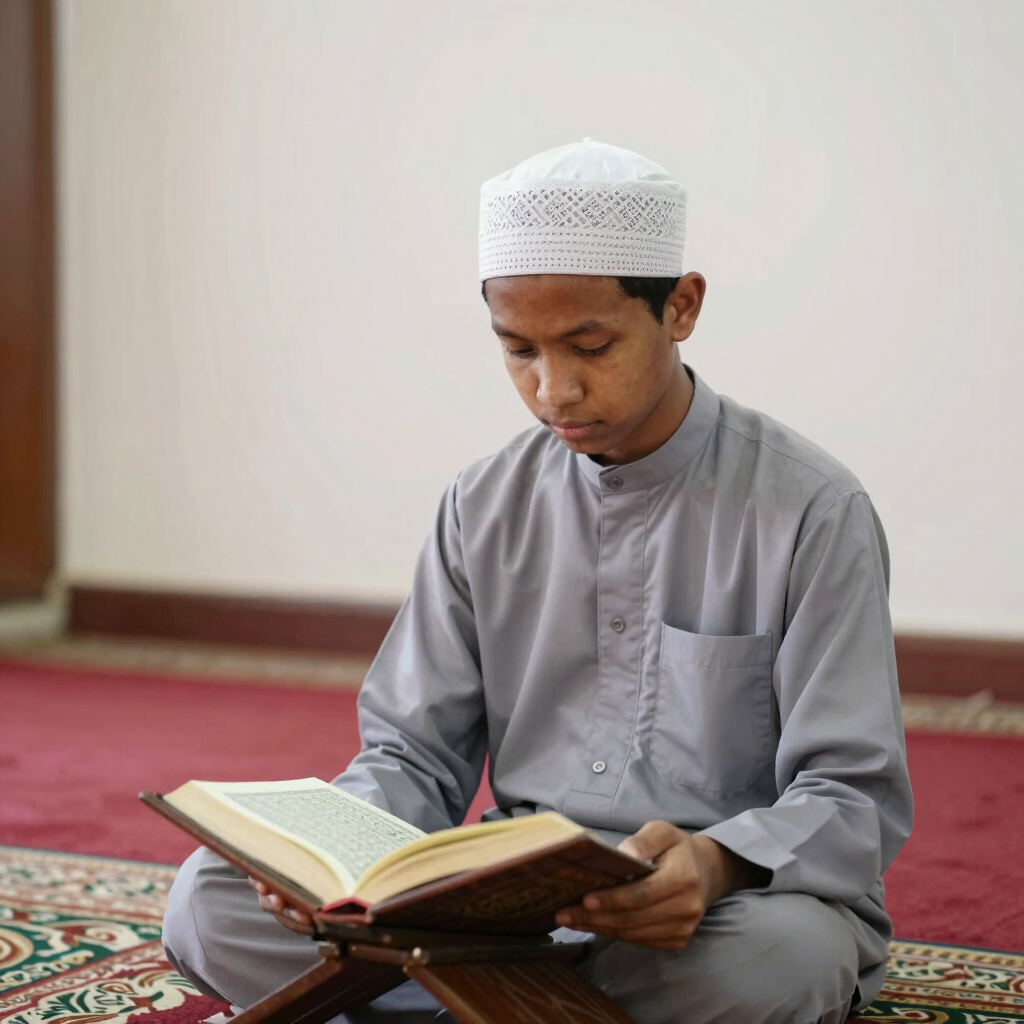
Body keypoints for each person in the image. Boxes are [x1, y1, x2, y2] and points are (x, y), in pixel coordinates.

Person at [163, 139, 913, 1024]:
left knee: (779, 964)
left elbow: (850, 795)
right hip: (502, 913)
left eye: (589, 345)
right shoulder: (484, 501)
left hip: (706, 919)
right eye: (518, 349)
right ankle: (529, 1007)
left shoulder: (812, 509)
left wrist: (712, 867)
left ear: (680, 306)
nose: (553, 389)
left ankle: (462, 1008)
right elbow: (410, 753)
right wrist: (329, 869)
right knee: (210, 900)